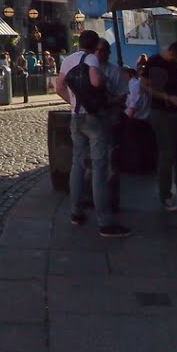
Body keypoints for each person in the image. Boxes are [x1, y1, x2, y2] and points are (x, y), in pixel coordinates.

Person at [56, 29, 132, 238]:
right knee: (99, 167)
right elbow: (96, 82)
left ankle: (76, 212)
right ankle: (105, 221)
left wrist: (71, 103)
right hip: (93, 118)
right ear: (94, 45)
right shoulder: (91, 58)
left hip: (75, 117)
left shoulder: (68, 59)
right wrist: (103, 80)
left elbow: (58, 87)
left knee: (77, 164)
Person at [143, 40, 177, 212]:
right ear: (174, 54)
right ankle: (165, 195)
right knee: (167, 155)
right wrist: (166, 97)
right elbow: (145, 87)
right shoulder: (154, 62)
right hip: (162, 112)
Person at [95, 39, 129, 213]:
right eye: (98, 50)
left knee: (111, 162)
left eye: (104, 51)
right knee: (92, 162)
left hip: (111, 120)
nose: (100, 54)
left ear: (109, 53)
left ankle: (111, 201)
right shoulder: (89, 70)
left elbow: (124, 96)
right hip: (93, 122)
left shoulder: (114, 71)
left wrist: (109, 102)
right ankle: (94, 198)